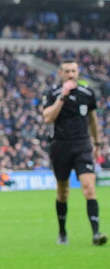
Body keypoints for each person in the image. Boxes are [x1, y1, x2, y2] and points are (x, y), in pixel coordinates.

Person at [42, 59, 106, 246]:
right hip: (60, 146)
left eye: (74, 71)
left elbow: (93, 120)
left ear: (78, 72)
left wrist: (97, 143)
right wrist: (62, 96)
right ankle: (62, 233)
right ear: (61, 73)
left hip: (82, 145)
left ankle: (96, 233)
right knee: (63, 192)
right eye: (67, 71)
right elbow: (47, 118)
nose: (71, 74)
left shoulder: (87, 93)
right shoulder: (52, 93)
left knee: (89, 187)